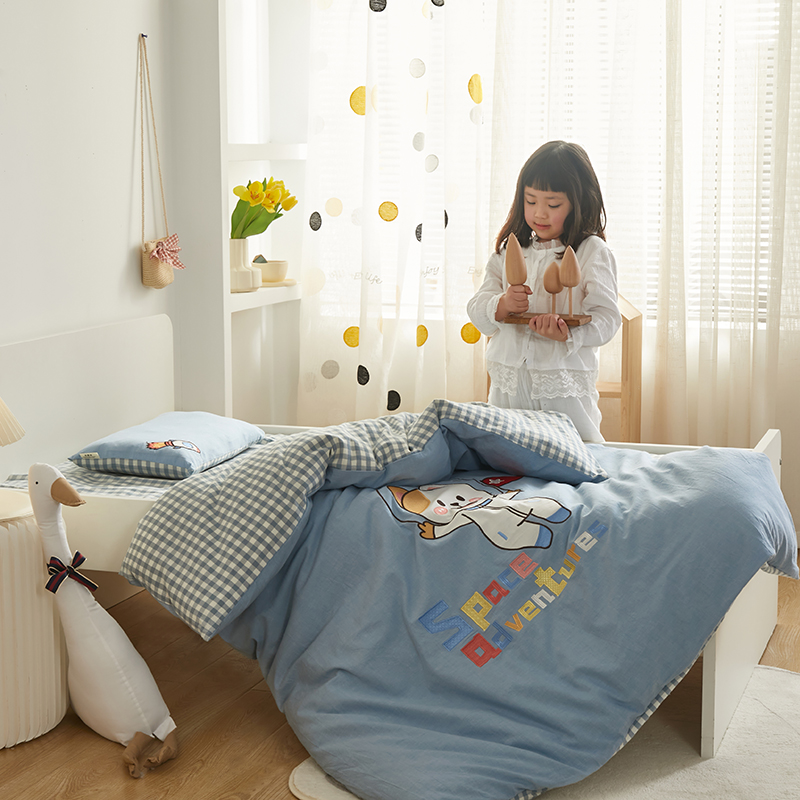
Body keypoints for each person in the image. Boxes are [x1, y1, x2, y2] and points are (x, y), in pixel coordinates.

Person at [467, 141, 621, 442]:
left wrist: (569, 333)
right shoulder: (510, 251)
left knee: (577, 453)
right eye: (530, 201)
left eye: (553, 205)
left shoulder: (591, 252)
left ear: (579, 203)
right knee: (506, 455)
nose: (540, 213)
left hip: (562, 386)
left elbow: (607, 320)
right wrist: (502, 304)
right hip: (508, 387)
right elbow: (478, 311)